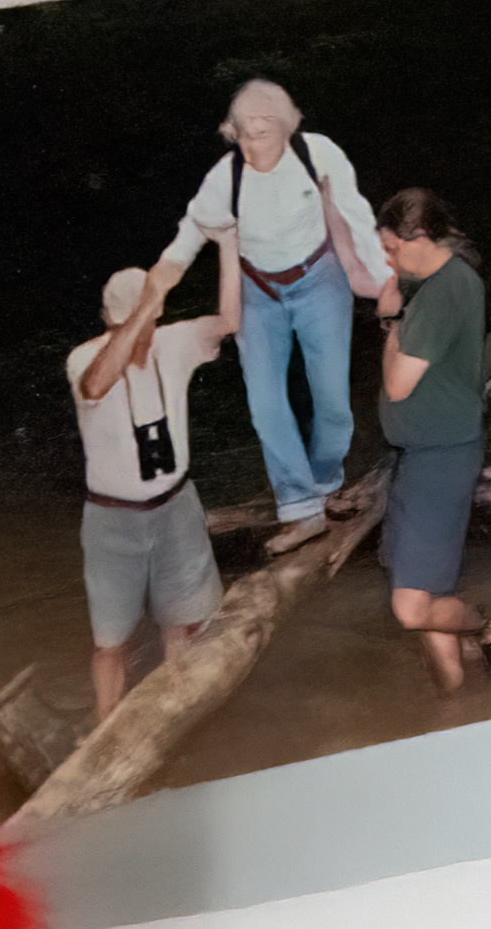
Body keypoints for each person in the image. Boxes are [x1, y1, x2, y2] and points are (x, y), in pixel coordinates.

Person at [162, 75, 392, 526]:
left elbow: (355, 213)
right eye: (242, 132)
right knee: (266, 403)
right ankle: (297, 503)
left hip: (320, 278)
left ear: (286, 125)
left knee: (332, 404)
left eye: (262, 130)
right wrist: (157, 284)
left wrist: (385, 281)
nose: (251, 142)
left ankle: (325, 482)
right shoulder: (224, 177)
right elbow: (189, 236)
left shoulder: (317, 152)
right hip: (256, 291)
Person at [70, 258, 229, 733]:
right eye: (136, 315)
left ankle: (174, 712)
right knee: (110, 643)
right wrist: (143, 311)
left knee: (182, 624)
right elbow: (96, 384)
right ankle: (105, 726)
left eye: (152, 313)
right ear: (111, 320)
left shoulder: (172, 341)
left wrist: (228, 240)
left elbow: (231, 321)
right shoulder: (85, 357)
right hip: (112, 519)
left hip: (176, 507)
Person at [366, 190, 491, 701]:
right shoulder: (438, 274)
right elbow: (388, 274)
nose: (388, 259)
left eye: (391, 247)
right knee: (431, 590)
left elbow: (398, 385)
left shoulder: (441, 294)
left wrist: (389, 323)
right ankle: (454, 698)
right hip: (420, 455)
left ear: (419, 238)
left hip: (440, 460)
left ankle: (490, 626)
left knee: (410, 607)